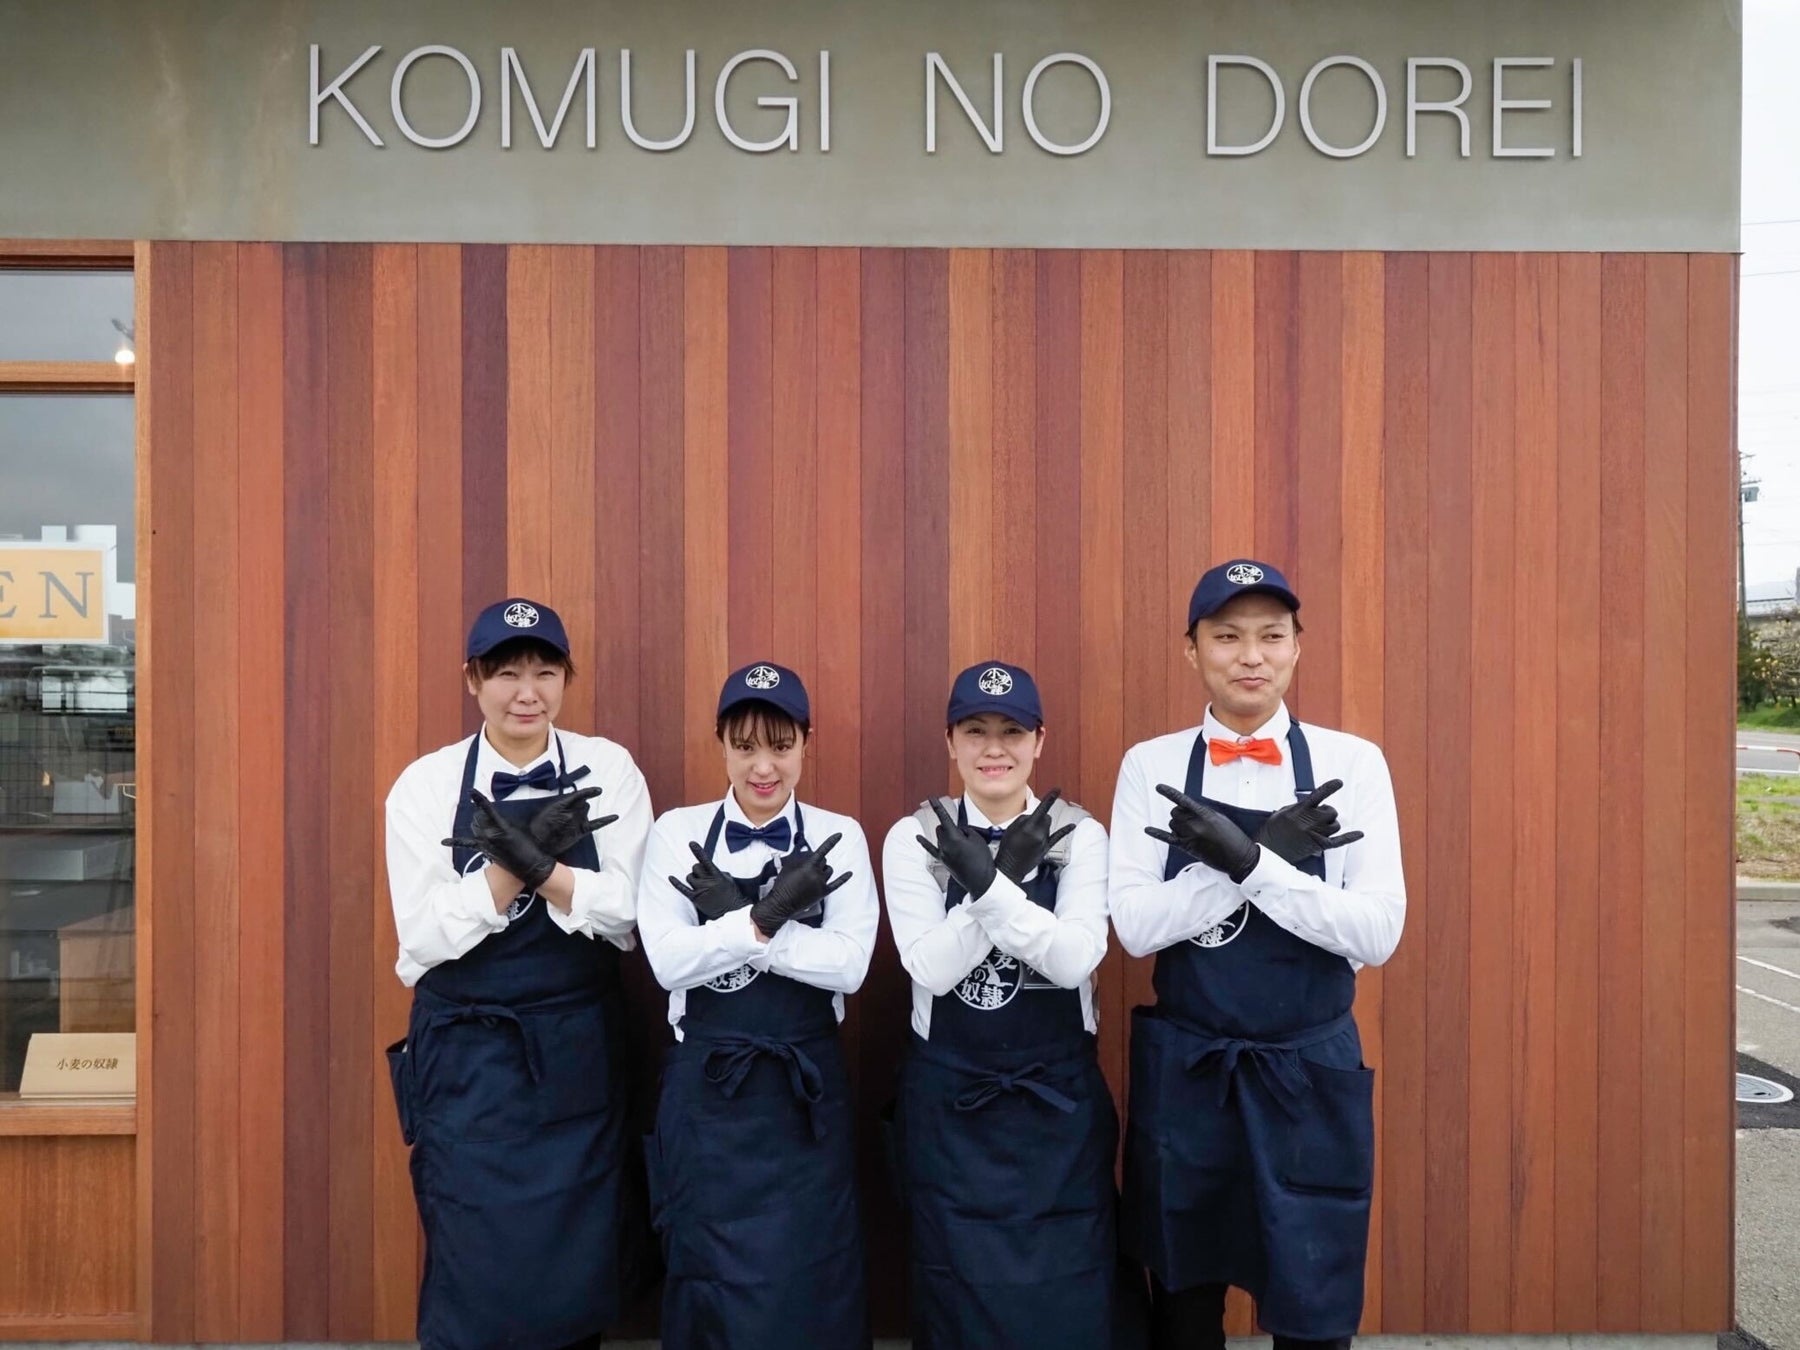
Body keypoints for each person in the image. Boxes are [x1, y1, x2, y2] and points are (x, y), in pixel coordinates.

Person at [1108, 560, 1406, 1350]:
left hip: (1309, 1070)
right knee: (1182, 1295)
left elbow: (1375, 932)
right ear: (1192, 651)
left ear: (1298, 648)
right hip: (1191, 1072)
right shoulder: (1152, 765)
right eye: (1227, 636)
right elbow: (1136, 927)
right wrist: (1257, 863)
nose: (1251, 655)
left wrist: (1249, 863)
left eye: (1271, 636)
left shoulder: (1355, 763)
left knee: (1314, 1299)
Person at [382, 597, 653, 1350]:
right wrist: (517, 869)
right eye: (506, 673)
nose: (526, 691)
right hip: (469, 1059)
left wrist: (544, 873)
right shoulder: (425, 787)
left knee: (575, 1262)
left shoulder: (610, 770)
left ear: (567, 677)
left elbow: (629, 915)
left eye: (544, 670)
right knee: (473, 1259)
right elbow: (423, 938)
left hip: (577, 1050)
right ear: (473, 681)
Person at [881, 660, 1124, 1349]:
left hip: (1057, 1107)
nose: (994, 748)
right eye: (976, 730)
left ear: (1040, 740)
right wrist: (1006, 881)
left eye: (1012, 731)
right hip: (952, 1104)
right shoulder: (915, 838)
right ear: (950, 742)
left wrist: (985, 887)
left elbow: (1076, 957)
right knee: (955, 1286)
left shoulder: (1081, 835)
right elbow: (927, 965)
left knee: (1068, 1286)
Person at [635, 661, 877, 1349]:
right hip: (707, 1098)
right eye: (745, 746)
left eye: (781, 745)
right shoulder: (675, 834)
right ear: (720, 744)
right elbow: (668, 962)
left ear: (807, 741)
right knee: (708, 1275)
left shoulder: (841, 836)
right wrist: (764, 921)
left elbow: (850, 967)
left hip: (805, 1101)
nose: (763, 767)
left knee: (814, 1276)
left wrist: (749, 928)